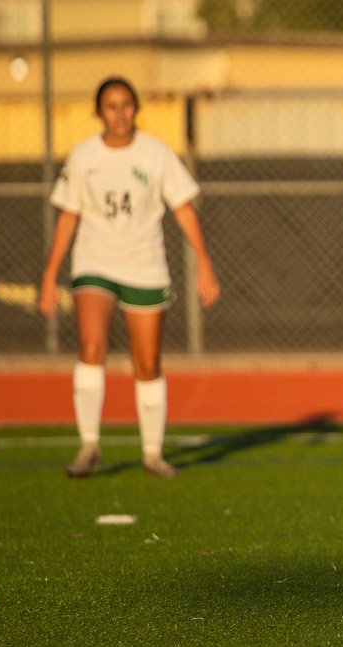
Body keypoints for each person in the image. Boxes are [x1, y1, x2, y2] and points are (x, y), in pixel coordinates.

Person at [37, 77, 219, 479]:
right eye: (111, 106)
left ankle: (152, 453)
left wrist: (204, 263)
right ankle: (89, 445)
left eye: (126, 105)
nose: (119, 114)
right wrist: (49, 275)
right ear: (98, 112)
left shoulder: (155, 154)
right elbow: (68, 216)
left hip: (144, 265)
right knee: (91, 346)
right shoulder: (84, 156)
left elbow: (184, 210)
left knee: (147, 362)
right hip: (95, 262)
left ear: (136, 109)